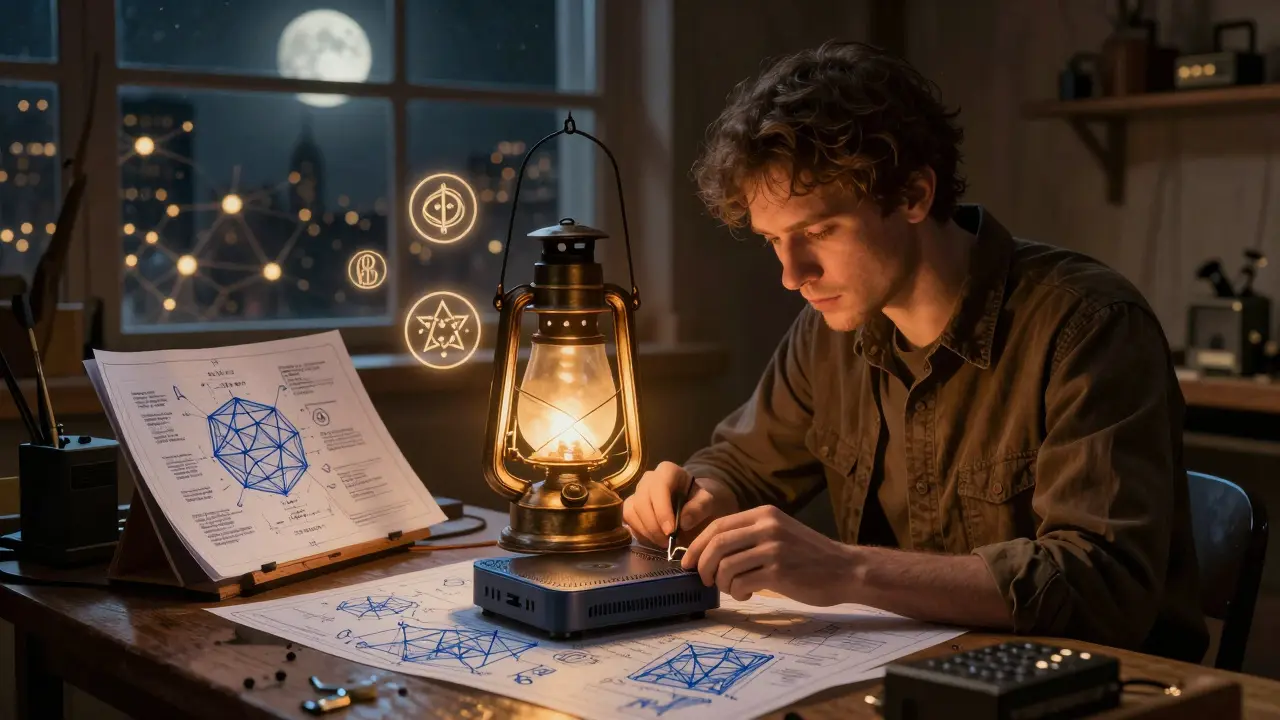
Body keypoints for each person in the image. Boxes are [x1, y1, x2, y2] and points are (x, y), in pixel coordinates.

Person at [622, 41, 1208, 662]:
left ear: (913, 196)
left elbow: (1101, 583)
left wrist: (846, 571)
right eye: (773, 241)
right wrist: (699, 498)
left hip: (1096, 688)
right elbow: (741, 466)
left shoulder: (1089, 326)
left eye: (819, 232)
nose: (792, 275)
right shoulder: (828, 330)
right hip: (907, 672)